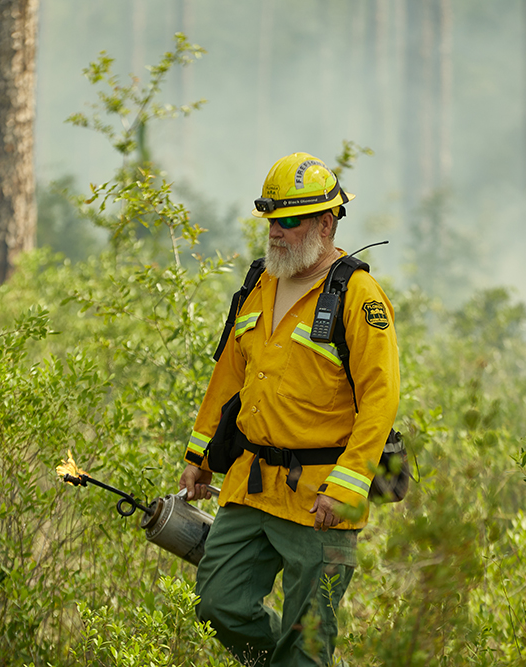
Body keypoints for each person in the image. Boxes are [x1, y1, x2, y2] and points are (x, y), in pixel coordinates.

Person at [179, 152, 400, 667]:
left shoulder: (358, 294)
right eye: (272, 221)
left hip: (320, 499)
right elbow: (229, 376)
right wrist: (200, 455)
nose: (276, 232)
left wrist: (346, 487)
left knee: (308, 641)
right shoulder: (261, 282)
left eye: (289, 221)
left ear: (325, 222)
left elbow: (380, 399)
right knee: (217, 603)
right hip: (250, 487)